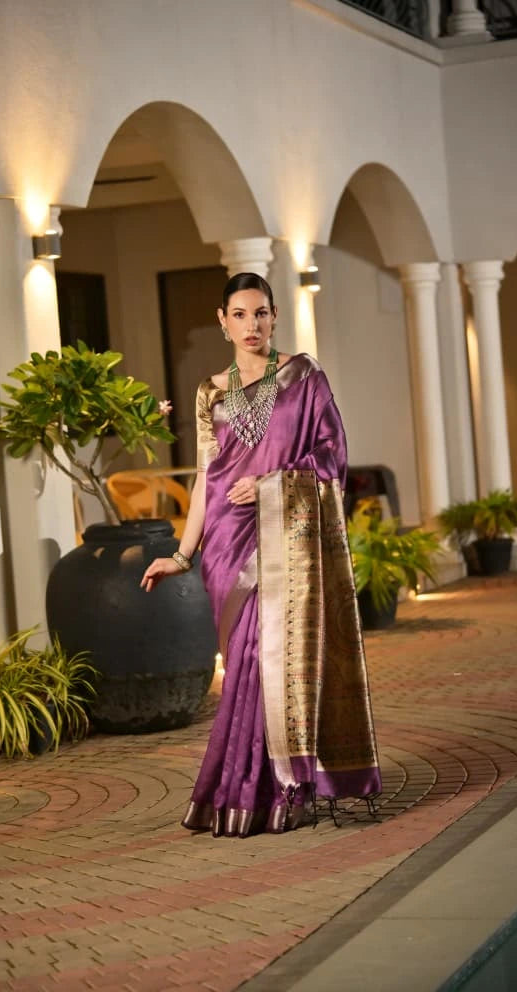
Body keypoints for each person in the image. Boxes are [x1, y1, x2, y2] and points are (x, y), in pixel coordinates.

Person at [141, 272, 381, 837]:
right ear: (222, 321)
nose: (253, 325)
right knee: (245, 662)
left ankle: (276, 788)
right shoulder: (210, 393)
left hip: (287, 534)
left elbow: (332, 455)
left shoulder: (304, 377)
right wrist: (182, 552)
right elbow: (207, 476)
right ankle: (250, 788)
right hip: (228, 539)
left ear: (275, 318)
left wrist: (275, 481)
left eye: (262, 314)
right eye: (241, 314)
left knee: (271, 661)